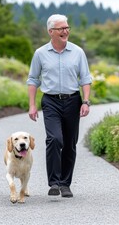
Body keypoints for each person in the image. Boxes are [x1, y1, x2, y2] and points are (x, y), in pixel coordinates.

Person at [26, 14, 92, 198]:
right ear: (51, 32)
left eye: (67, 27)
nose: (66, 31)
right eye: (61, 28)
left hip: (72, 101)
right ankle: (54, 182)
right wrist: (32, 105)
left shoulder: (78, 52)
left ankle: (65, 184)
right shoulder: (40, 53)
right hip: (51, 101)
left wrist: (85, 101)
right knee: (54, 139)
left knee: (70, 143)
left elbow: (85, 79)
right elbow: (33, 80)